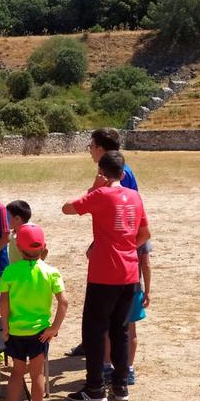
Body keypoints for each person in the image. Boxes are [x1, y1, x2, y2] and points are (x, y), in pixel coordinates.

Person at [62, 150, 150, 401]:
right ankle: (120, 386)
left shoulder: (100, 194)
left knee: (94, 330)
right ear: (123, 174)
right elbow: (145, 233)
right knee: (120, 330)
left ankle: (95, 388)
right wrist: (127, 247)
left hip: (104, 273)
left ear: (102, 172)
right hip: (129, 272)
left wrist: (93, 187)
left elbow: (67, 208)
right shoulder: (135, 196)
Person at [66, 128, 139, 357]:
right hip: (121, 244)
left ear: (100, 148)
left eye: (91, 146)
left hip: (122, 249)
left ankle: (115, 366)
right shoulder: (113, 171)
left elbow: (116, 214)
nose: (89, 151)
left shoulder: (118, 175)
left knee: (119, 315)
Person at [0, 224, 68, 401]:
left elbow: (3, 302)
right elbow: (63, 302)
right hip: (40, 334)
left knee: (16, 373)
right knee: (37, 375)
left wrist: (5, 328)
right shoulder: (51, 272)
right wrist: (53, 329)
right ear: (44, 247)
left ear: (18, 248)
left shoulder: (10, 271)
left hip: (16, 331)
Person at [104, 241, 151, 385]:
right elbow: (146, 265)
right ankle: (128, 369)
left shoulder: (111, 233)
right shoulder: (142, 238)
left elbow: (90, 254)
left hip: (110, 287)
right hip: (133, 288)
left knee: (108, 330)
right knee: (131, 331)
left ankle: (107, 367)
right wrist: (147, 291)